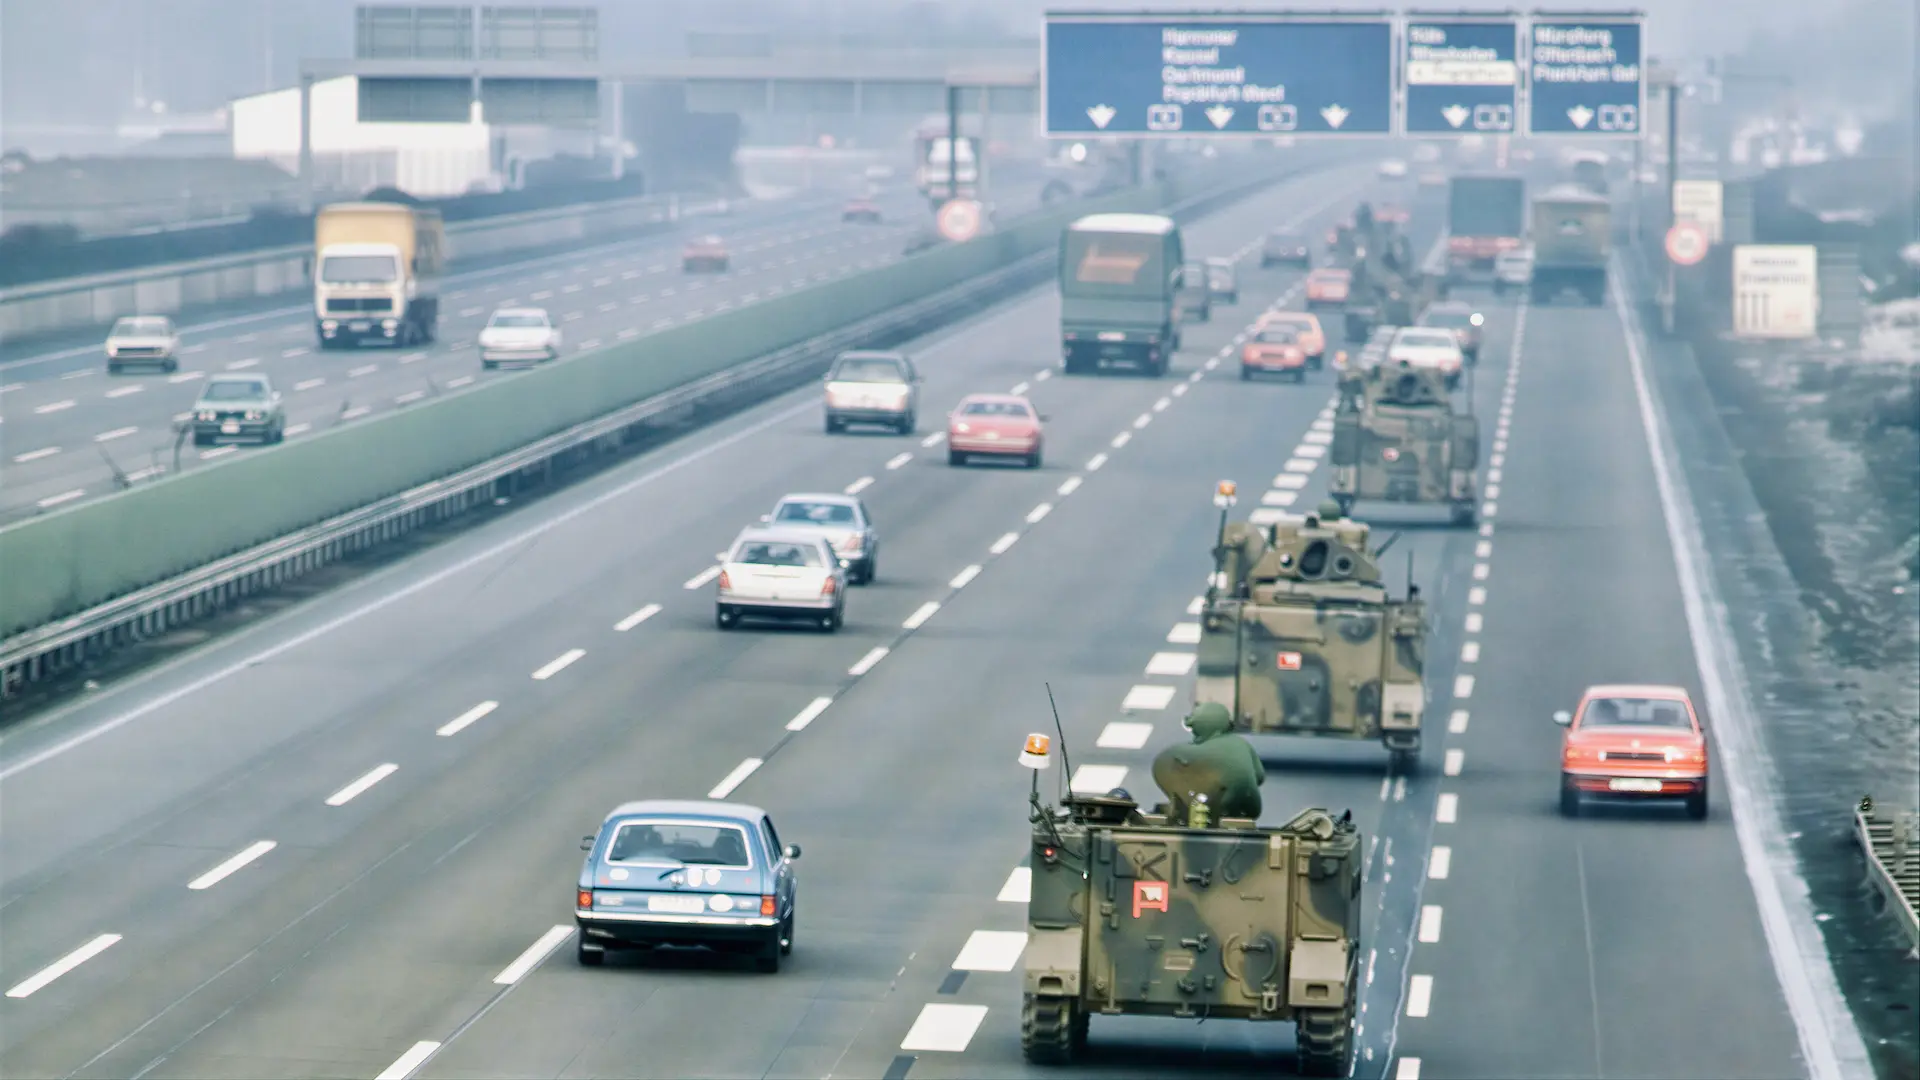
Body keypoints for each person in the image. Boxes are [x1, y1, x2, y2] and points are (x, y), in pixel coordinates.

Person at [1151, 702, 1267, 823]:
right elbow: (1259, 775)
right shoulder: (1241, 744)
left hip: (1193, 807)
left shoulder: (1174, 755)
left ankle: (1186, 812)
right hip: (1243, 806)